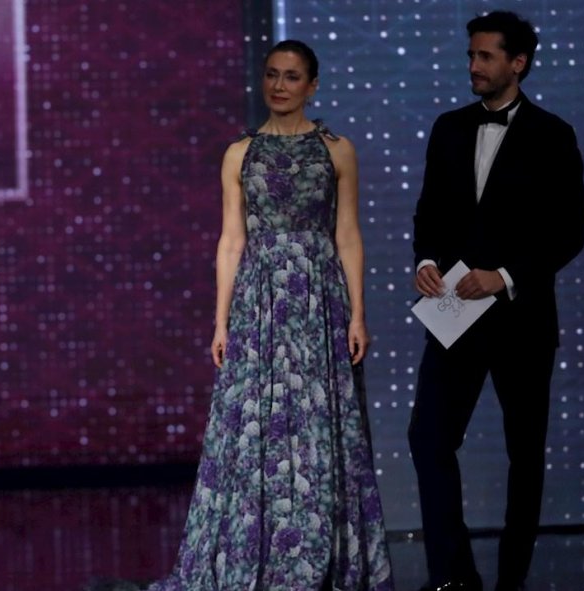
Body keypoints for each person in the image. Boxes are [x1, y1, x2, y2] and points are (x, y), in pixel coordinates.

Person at [133, 39, 393, 591]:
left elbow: (347, 235)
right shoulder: (239, 152)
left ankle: (320, 557)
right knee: (254, 431)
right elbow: (231, 240)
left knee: (320, 426)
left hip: (319, 301)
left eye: (292, 77)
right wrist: (221, 321)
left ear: (313, 85)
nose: (280, 85)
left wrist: (358, 315)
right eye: (273, 75)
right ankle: (256, 552)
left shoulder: (336, 149)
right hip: (259, 302)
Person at [409, 11, 584, 591]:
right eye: (470, 55)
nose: (473, 66)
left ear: (519, 62)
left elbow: (570, 231)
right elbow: (430, 211)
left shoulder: (553, 134)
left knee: (524, 455)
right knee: (427, 437)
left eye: (485, 56)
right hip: (454, 314)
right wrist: (426, 262)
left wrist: (504, 275)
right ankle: (453, 574)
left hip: (521, 320)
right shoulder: (449, 127)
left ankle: (513, 579)